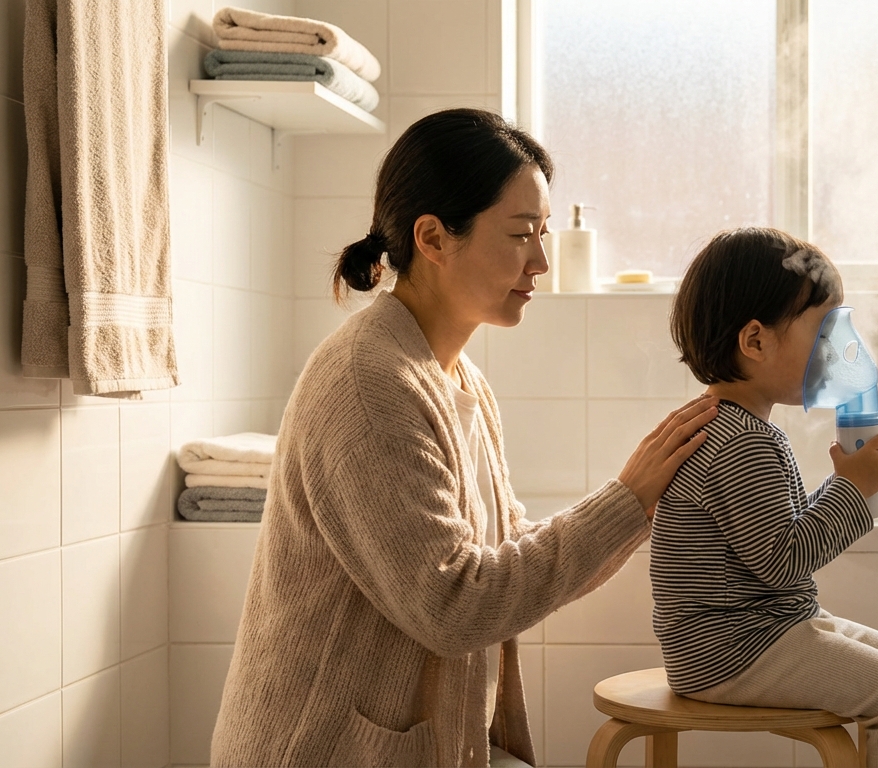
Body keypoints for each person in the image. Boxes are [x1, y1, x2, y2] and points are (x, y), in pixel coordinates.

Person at [209, 108, 718, 768]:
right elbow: (454, 605)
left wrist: (647, 503)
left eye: (543, 234)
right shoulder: (369, 383)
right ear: (432, 237)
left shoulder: (457, 379)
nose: (540, 260)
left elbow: (507, 555)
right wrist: (625, 499)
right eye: (519, 235)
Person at [652, 227, 878, 767]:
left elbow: (770, 540)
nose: (837, 350)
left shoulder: (734, 429)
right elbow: (784, 562)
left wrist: (845, 485)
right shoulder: (742, 443)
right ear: (756, 341)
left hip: (749, 632)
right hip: (735, 648)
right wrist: (852, 488)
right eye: (823, 331)